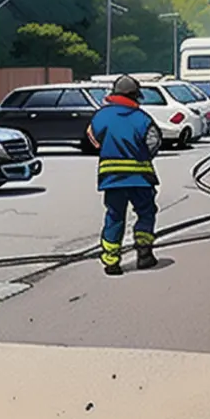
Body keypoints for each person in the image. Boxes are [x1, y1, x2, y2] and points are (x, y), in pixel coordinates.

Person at [86, 74, 163, 276]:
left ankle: (111, 262)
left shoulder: (101, 116)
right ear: (135, 95)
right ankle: (144, 254)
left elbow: (92, 138)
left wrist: (109, 148)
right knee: (146, 212)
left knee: (114, 216)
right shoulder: (143, 118)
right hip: (141, 179)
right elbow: (153, 143)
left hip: (111, 178)